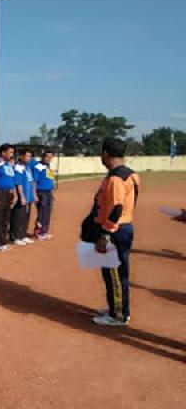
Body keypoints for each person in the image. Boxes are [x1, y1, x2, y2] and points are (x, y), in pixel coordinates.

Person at [84, 138, 140, 326]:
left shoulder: (116, 178)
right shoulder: (130, 174)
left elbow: (116, 208)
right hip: (122, 227)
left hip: (115, 230)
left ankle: (118, 315)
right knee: (114, 272)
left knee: (115, 274)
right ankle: (116, 307)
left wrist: (106, 234)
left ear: (105, 154)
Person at [10, 149, 36, 246]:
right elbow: (18, 183)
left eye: (30, 156)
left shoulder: (27, 167)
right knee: (18, 217)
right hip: (22, 196)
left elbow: (31, 181)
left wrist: (32, 195)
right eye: (27, 156)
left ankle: (23, 235)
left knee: (26, 217)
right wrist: (21, 196)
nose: (29, 158)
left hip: (28, 196)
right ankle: (15, 237)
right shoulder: (18, 167)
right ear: (21, 156)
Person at [33, 150, 55, 240]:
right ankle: (38, 232)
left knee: (47, 213)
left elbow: (51, 180)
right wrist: (34, 194)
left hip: (49, 192)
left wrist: (52, 194)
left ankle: (44, 231)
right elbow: (34, 181)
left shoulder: (48, 167)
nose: (49, 159)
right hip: (41, 192)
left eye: (51, 157)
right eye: (47, 157)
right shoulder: (38, 167)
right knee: (42, 213)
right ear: (42, 157)